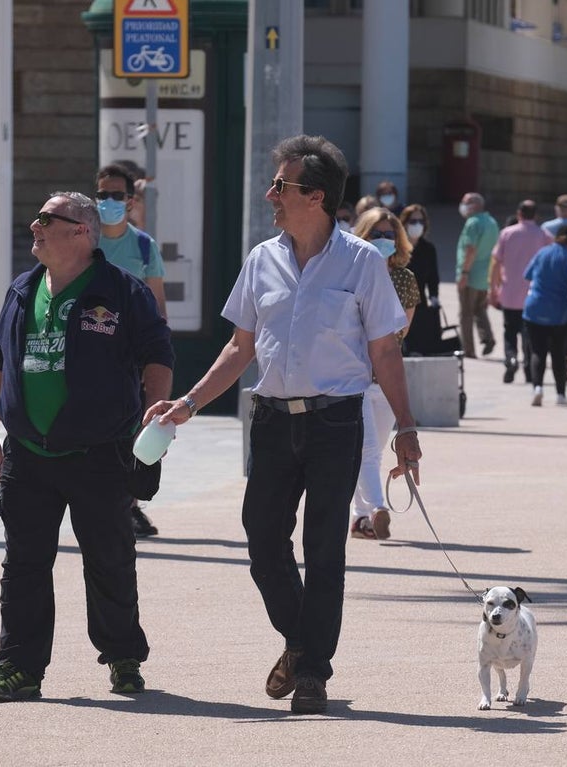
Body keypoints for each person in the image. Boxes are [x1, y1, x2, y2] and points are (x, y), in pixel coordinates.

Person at [140, 135, 422, 715]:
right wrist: (186, 405)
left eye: (281, 186)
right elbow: (240, 348)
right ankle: (301, 641)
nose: (270, 194)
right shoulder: (261, 257)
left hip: (336, 420)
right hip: (270, 420)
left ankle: (314, 672)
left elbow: (386, 354)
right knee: (263, 540)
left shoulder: (363, 263)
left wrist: (407, 429)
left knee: (323, 549)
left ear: (314, 196)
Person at [0, 191, 175, 702]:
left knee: (109, 560)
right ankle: (18, 667)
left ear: (81, 232)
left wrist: (155, 421)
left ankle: (124, 657)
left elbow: (157, 355)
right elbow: (1, 360)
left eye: (47, 219)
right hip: (27, 453)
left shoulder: (122, 291)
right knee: (23, 565)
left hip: (100, 452)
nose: (34, 226)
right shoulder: (21, 289)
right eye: (36, 217)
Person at [96, 163, 167, 539]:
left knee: (136, 433)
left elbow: (157, 305)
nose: (108, 201)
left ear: (130, 200)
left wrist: (155, 359)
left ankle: (131, 505)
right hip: (88, 358)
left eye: (116, 195)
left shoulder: (143, 245)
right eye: (102, 194)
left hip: (131, 359)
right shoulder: (84, 242)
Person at [349, 207, 419, 540]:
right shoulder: (350, 273)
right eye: (376, 234)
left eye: (390, 235)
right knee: (364, 448)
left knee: (374, 450)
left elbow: (399, 332)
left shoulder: (404, 279)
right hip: (354, 375)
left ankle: (360, 518)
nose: (383, 240)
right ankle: (376, 508)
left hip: (386, 376)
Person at [523, 224, 567, 407]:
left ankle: (538, 388)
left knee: (537, 351)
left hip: (534, 309)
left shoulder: (542, 253)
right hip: (559, 312)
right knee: (559, 353)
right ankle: (560, 394)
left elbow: (527, 275)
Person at [491, 200, 548, 383]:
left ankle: (511, 359)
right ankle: (528, 368)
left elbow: (496, 262)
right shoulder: (543, 235)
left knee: (509, 331)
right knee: (529, 333)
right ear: (536, 215)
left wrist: (493, 289)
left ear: (519, 214)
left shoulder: (507, 233)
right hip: (533, 295)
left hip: (509, 293)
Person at [456, 192, 500, 358]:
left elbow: (470, 249)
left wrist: (464, 272)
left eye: (466, 202)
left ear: (475, 205)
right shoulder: (491, 222)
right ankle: (488, 338)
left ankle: (469, 349)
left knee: (466, 313)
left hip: (471, 274)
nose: (463, 206)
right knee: (479, 309)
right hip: (484, 275)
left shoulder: (473, 223)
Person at [400, 204, 444, 356]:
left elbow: (433, 277)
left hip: (420, 304)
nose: (417, 225)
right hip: (397, 304)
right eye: (413, 221)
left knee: (419, 347)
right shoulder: (396, 248)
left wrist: (434, 296)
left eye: (421, 221)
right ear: (404, 223)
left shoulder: (428, 249)